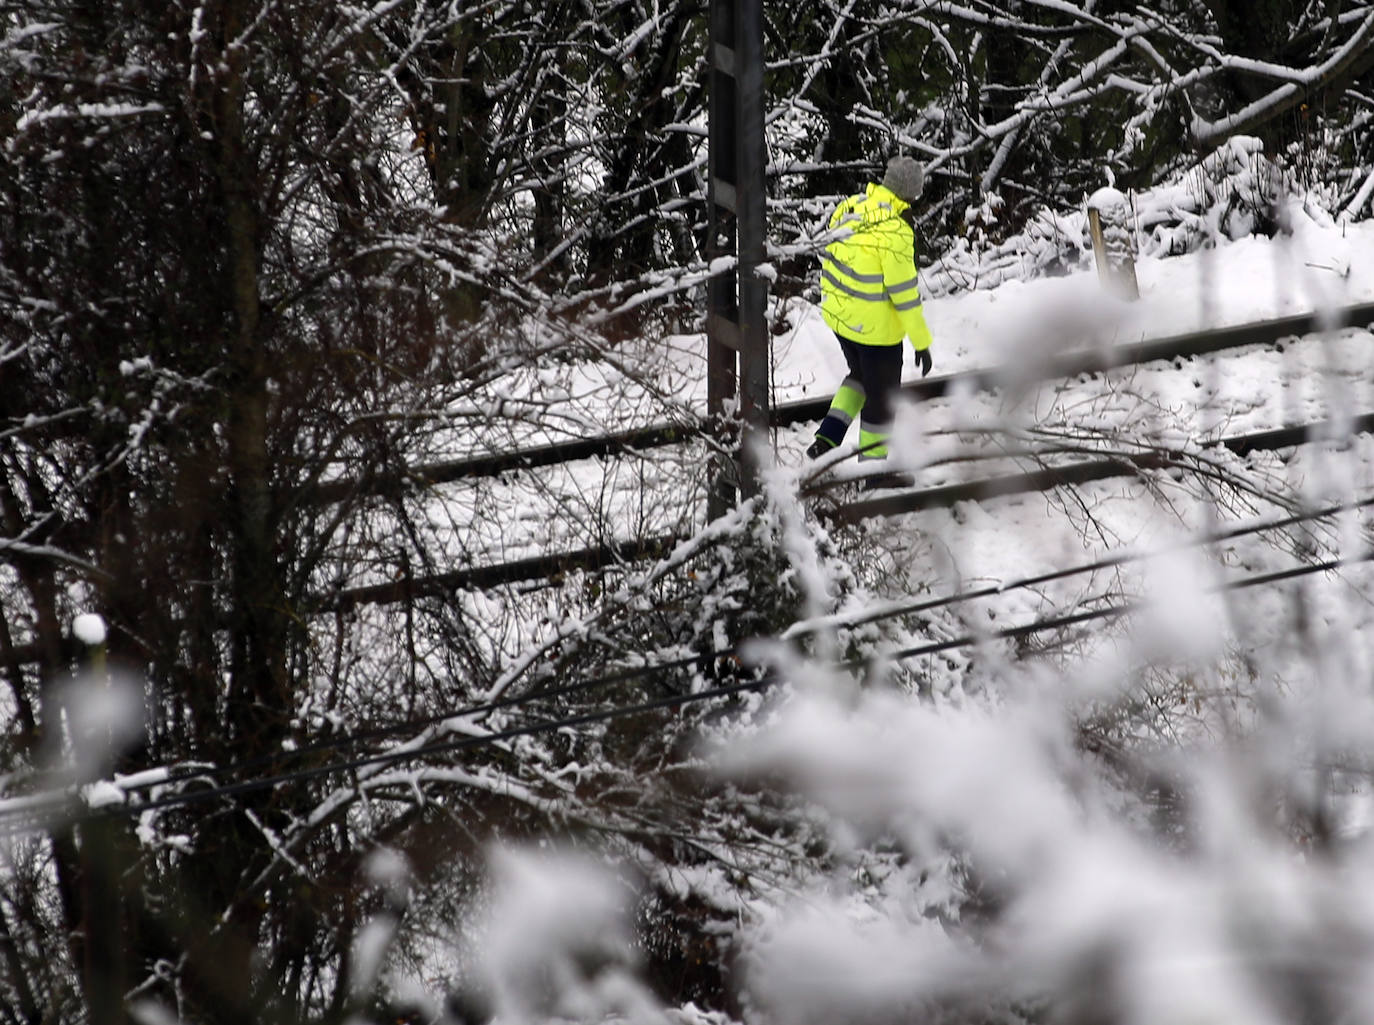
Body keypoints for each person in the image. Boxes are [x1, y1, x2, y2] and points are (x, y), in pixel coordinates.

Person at [807, 154, 935, 489]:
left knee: (859, 377)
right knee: (881, 399)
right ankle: (873, 473)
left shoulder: (851, 206)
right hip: (875, 332)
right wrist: (921, 342)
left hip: (840, 318)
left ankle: (827, 439)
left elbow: (825, 250)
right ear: (911, 194)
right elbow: (904, 294)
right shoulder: (895, 230)